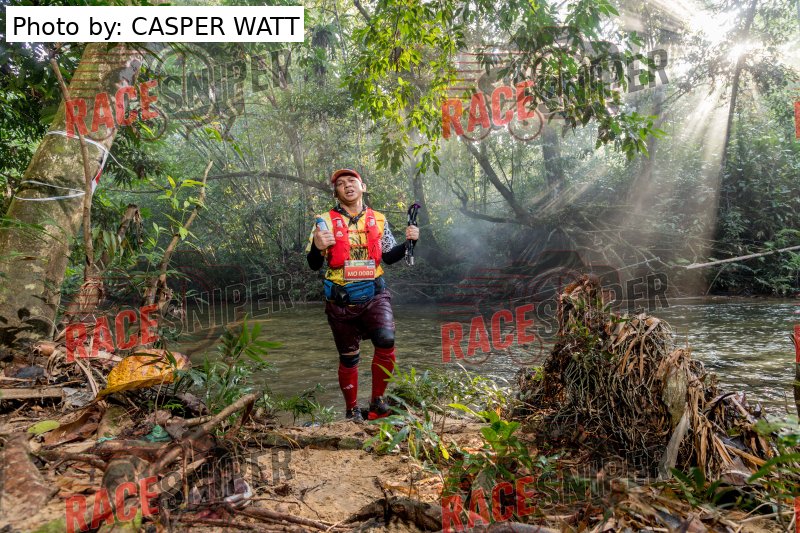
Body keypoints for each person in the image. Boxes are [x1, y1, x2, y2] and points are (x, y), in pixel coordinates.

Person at [306, 169, 419, 422]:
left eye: (352, 181)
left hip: (374, 293)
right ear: (335, 192)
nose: (347, 186)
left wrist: (409, 243)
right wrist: (316, 246)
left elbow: (388, 256)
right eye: (341, 184)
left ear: (363, 186)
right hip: (341, 298)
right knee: (349, 357)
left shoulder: (378, 219)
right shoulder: (323, 221)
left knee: (386, 340)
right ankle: (352, 410)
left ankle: (377, 402)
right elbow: (314, 264)